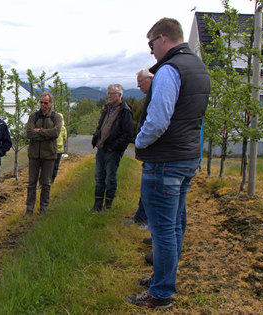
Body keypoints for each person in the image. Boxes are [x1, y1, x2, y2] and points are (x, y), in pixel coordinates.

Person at [126, 18, 210, 309]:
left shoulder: (169, 70)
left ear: (162, 38)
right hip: (186, 158)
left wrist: (140, 142)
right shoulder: (198, 67)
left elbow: (158, 119)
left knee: (162, 230)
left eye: (151, 44)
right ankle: (162, 278)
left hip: (165, 162)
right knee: (174, 226)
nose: (150, 52)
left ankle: (160, 293)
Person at [89, 84, 133, 212]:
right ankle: (97, 205)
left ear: (120, 95)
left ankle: (107, 206)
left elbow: (127, 135)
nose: (109, 96)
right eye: (108, 93)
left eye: (112, 93)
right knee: (99, 177)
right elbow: (101, 126)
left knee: (110, 178)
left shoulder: (125, 111)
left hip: (112, 151)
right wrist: (96, 137)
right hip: (101, 149)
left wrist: (113, 147)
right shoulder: (107, 109)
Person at [25, 92, 63, 215]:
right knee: (31, 183)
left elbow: (56, 133)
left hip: (49, 156)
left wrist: (39, 131)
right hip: (34, 155)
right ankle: (29, 208)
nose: (43, 105)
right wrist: (47, 134)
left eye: (45, 102)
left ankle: (43, 208)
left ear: (51, 103)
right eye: (41, 102)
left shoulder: (56, 117)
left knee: (46, 183)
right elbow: (29, 133)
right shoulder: (33, 116)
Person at [126, 68, 155, 227]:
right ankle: (141, 216)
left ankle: (148, 221)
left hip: (157, 153)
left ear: (149, 79)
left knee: (152, 191)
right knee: (146, 189)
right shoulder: (151, 97)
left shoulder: (158, 96)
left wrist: (140, 141)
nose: (138, 86)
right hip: (150, 154)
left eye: (140, 82)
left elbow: (156, 125)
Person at [51, 113, 67, 183]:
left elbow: (64, 138)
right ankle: (51, 179)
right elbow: (65, 138)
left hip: (54, 149)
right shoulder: (63, 128)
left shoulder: (53, 127)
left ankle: (51, 179)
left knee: (52, 165)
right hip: (57, 149)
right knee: (55, 165)